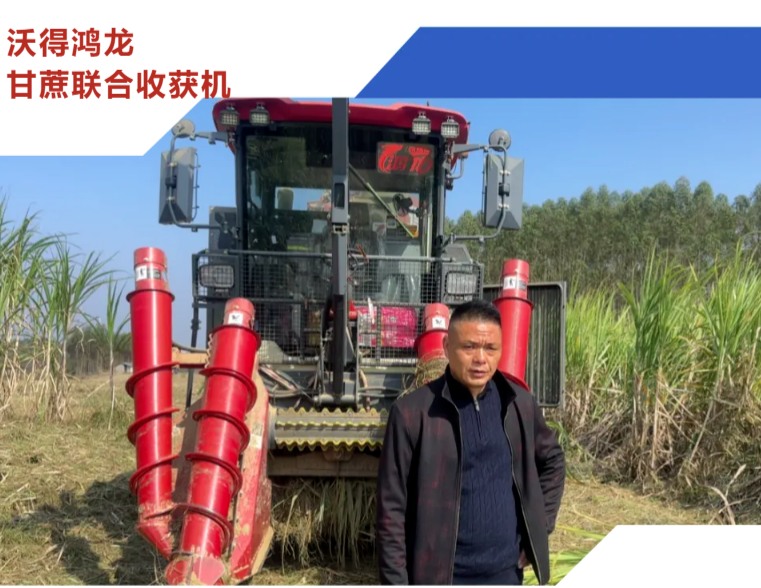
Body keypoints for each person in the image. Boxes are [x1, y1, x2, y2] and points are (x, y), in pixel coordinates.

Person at [376, 299, 566, 586]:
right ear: (446, 346)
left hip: (505, 575)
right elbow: (390, 511)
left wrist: (539, 527)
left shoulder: (518, 404)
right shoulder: (413, 414)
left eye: (491, 348)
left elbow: (553, 461)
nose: (481, 359)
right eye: (469, 347)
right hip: (441, 578)